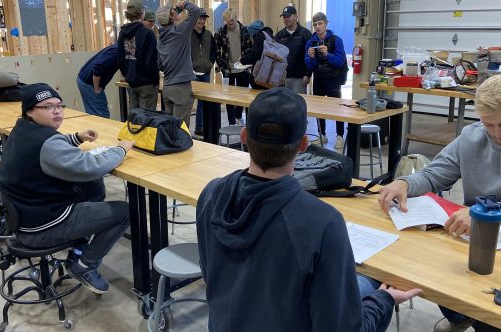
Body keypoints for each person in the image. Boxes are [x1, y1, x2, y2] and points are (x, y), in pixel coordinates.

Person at [196, 86, 422, 332]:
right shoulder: (322, 223)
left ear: (243, 137)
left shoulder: (211, 194)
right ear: (304, 145)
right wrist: (383, 301)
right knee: (371, 283)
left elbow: (212, 277)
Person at [379, 74, 501, 332]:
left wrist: (482, 214)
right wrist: (404, 183)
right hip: (472, 239)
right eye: (489, 124)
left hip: (490, 236)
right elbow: (435, 174)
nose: (496, 133)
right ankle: (463, 316)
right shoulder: (472, 137)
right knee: (428, 263)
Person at [0, 83, 135, 295]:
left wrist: (76, 138)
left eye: (60, 105)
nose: (57, 111)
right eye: (48, 107)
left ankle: (78, 250)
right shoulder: (46, 142)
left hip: (26, 216)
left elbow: (51, 147)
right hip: (43, 227)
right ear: (30, 110)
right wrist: (119, 150)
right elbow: (91, 167)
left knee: (92, 186)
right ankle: (86, 265)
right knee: (126, 212)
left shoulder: (22, 129)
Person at [304, 11, 348, 149]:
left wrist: (328, 54)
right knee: (318, 108)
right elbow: (308, 65)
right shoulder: (311, 42)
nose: (317, 27)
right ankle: (321, 134)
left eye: (320, 23)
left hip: (333, 79)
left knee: (337, 108)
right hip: (318, 78)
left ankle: (340, 135)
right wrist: (311, 57)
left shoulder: (336, 40)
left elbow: (340, 61)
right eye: (315, 24)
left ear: (326, 24)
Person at [156, 0, 201, 127]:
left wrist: (176, 11)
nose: (176, 11)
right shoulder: (180, 31)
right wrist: (185, 4)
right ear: (171, 17)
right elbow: (196, 11)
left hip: (167, 87)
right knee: (180, 130)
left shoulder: (160, 39)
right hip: (181, 88)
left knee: (170, 128)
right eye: (174, 11)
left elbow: (160, 65)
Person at [118, 0, 159, 111]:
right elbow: (150, 62)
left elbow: (120, 59)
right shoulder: (147, 33)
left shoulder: (122, 33)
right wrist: (155, 81)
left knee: (134, 121)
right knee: (146, 120)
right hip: (147, 84)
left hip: (132, 83)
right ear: (141, 13)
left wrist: (128, 75)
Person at [214, 8, 253, 126]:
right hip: (228, 69)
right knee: (229, 97)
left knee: (242, 95)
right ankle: (232, 122)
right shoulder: (220, 32)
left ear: (236, 19)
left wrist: (247, 63)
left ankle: (238, 116)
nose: (229, 23)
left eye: (231, 20)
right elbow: (216, 50)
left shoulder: (244, 30)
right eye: (227, 21)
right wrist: (221, 65)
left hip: (243, 67)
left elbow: (249, 48)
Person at [274, 5, 312, 95]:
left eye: (288, 16)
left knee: (298, 105)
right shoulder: (279, 35)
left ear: (296, 16)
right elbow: (274, 56)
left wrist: (307, 74)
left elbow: (311, 57)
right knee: (282, 105)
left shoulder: (305, 34)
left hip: (299, 79)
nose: (286, 19)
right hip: (282, 79)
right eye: (284, 17)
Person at [190, 8, 216, 136]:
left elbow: (214, 51)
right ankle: (185, 128)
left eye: (203, 19)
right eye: (199, 18)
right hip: (192, 73)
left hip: (205, 72)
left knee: (203, 102)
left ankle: (199, 127)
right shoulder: (188, 34)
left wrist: (211, 63)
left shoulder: (208, 34)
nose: (201, 21)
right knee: (189, 101)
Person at [76, 44, 118, 118]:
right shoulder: (116, 51)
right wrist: (96, 88)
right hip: (88, 82)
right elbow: (98, 67)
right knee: (101, 115)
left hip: (85, 79)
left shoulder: (118, 47)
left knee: (95, 114)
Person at [239, 20, 274, 90]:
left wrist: (242, 60)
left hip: (261, 77)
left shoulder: (259, 36)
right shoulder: (269, 36)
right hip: (269, 76)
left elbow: (255, 55)